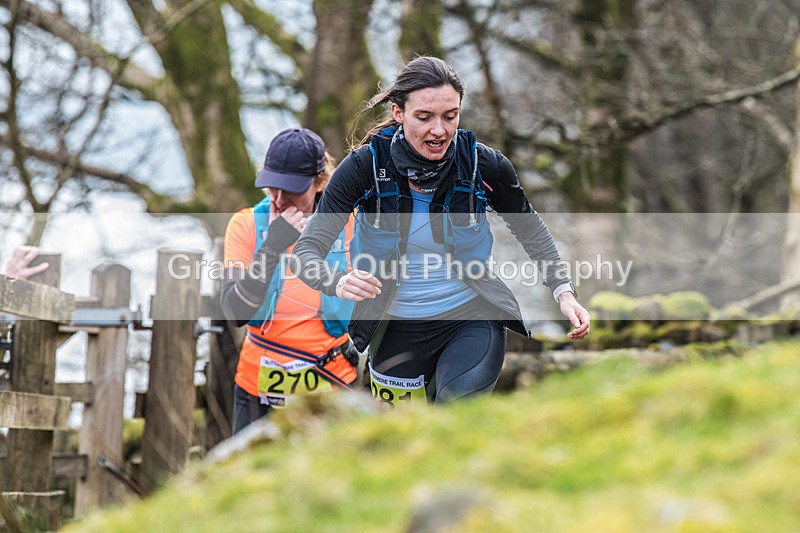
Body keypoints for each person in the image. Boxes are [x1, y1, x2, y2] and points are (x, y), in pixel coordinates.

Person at [293, 56, 590, 409]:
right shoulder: (364, 167)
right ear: (398, 112)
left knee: (456, 409)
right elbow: (305, 254)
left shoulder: (484, 165)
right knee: (402, 443)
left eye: (450, 116)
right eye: (425, 117)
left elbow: (531, 230)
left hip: (471, 319)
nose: (439, 130)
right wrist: (336, 281)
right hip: (395, 331)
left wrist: (563, 291)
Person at [220, 128, 359, 434]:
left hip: (332, 383)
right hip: (257, 391)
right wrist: (271, 246)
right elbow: (235, 313)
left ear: (320, 181)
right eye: (272, 188)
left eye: (292, 189)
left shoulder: (351, 222)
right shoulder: (245, 224)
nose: (280, 200)